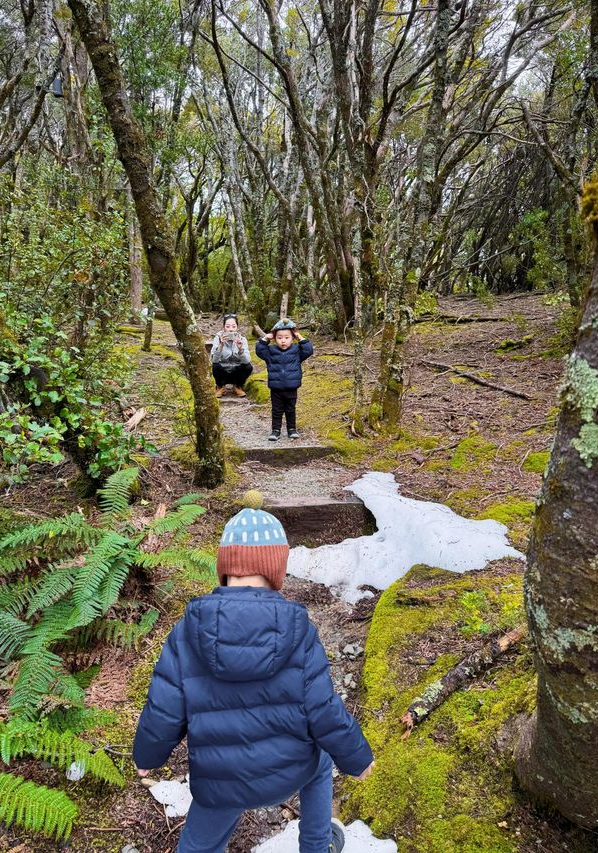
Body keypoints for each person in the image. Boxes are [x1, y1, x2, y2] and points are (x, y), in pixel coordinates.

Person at [133, 494, 375, 853]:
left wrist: (148, 758)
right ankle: (316, 845)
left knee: (201, 841)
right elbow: (323, 709)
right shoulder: (300, 630)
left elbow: (164, 709)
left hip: (220, 783)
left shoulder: (187, 631)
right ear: (276, 569)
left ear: (225, 567)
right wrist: (357, 757)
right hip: (289, 772)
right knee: (321, 764)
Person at [255, 318, 314, 441]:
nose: (283, 341)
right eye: (279, 337)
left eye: (287, 338)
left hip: (291, 387)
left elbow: (308, 350)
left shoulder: (297, 351)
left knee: (290, 409)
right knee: (276, 410)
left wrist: (300, 337)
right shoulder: (270, 352)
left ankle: (291, 429)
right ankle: (275, 430)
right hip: (276, 388)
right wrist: (266, 338)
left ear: (292, 338)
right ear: (275, 339)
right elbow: (259, 351)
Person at [210, 313, 253, 398]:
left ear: (237, 327)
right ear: (223, 328)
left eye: (233, 326)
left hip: (236, 372)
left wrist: (240, 349)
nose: (231, 329)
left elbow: (247, 361)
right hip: (223, 371)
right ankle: (220, 386)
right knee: (215, 366)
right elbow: (214, 360)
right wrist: (221, 345)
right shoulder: (217, 339)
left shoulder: (242, 339)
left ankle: (237, 386)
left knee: (248, 367)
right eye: (228, 326)